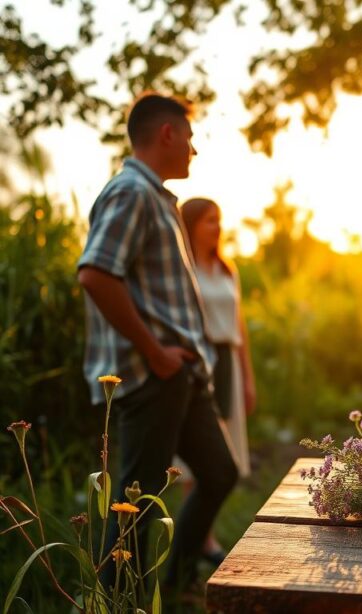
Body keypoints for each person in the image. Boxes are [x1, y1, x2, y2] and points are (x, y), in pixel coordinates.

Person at [77, 92, 238, 596]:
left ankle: (177, 585)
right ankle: (113, 603)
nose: (194, 149)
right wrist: (154, 352)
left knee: (219, 473)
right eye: (189, 137)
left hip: (180, 374)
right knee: (134, 505)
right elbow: (95, 273)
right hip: (151, 376)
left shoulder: (158, 199)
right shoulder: (132, 192)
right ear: (167, 134)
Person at [178, 197, 256, 565]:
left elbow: (239, 325)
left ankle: (202, 536)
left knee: (224, 451)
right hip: (199, 360)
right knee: (198, 455)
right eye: (210, 220)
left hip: (228, 361)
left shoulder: (227, 269)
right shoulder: (183, 267)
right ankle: (199, 541)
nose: (217, 227)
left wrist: (247, 377)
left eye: (219, 220)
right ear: (191, 224)